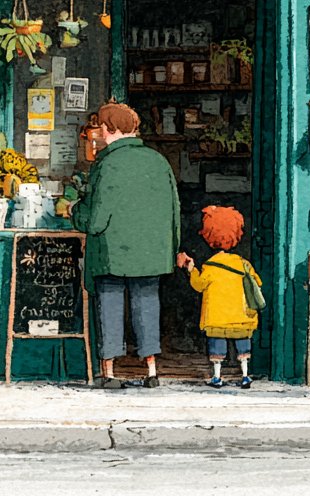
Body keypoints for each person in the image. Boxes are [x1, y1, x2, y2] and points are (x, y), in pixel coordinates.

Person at [73, 102, 180, 390]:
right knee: (147, 305)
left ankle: (109, 372)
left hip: (112, 253)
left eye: (101, 127)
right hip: (151, 252)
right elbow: (173, 211)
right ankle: (151, 370)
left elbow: (95, 221)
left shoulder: (106, 164)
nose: (98, 133)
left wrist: (76, 209)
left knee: (109, 304)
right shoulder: (158, 161)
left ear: (110, 129)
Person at [176, 206, 263, 389]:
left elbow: (198, 285)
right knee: (242, 346)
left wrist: (191, 268)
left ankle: (217, 377)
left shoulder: (210, 267)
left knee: (217, 348)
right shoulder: (243, 264)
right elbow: (257, 283)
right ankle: (245, 375)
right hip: (241, 317)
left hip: (217, 318)